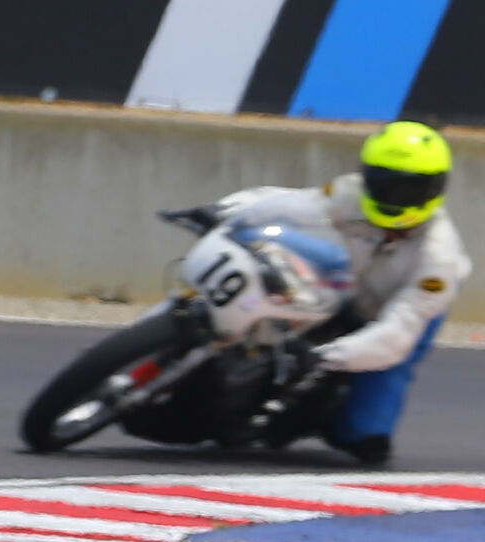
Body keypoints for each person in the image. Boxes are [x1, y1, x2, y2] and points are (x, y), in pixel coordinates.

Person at [165, 120, 470, 463]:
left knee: (364, 437)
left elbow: (398, 335)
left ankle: (322, 418)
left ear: (434, 189)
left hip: (388, 317)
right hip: (335, 284)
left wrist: (327, 357)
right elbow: (289, 204)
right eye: (383, 181)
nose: (393, 195)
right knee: (260, 247)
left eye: (407, 188)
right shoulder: (349, 193)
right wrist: (225, 210)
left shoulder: (440, 260)